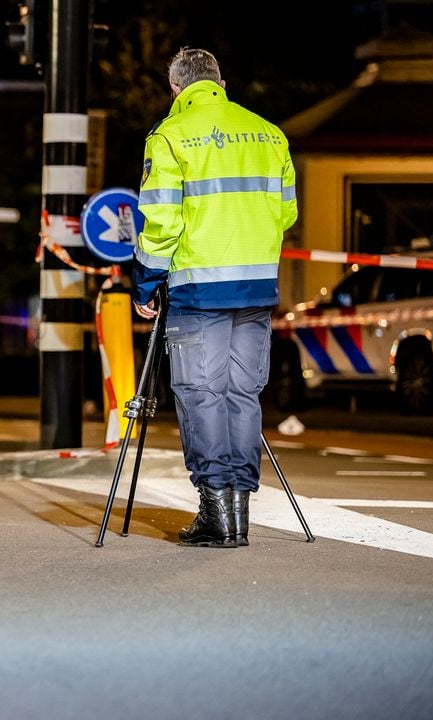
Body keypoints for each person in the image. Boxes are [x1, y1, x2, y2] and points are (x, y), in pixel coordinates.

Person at [131, 48, 298, 548]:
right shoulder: (270, 134)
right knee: (241, 395)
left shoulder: (171, 136)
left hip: (199, 288)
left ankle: (216, 511)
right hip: (256, 288)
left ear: (176, 89)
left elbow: (161, 221)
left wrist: (145, 282)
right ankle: (240, 509)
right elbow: (286, 214)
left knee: (201, 395)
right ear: (221, 81)